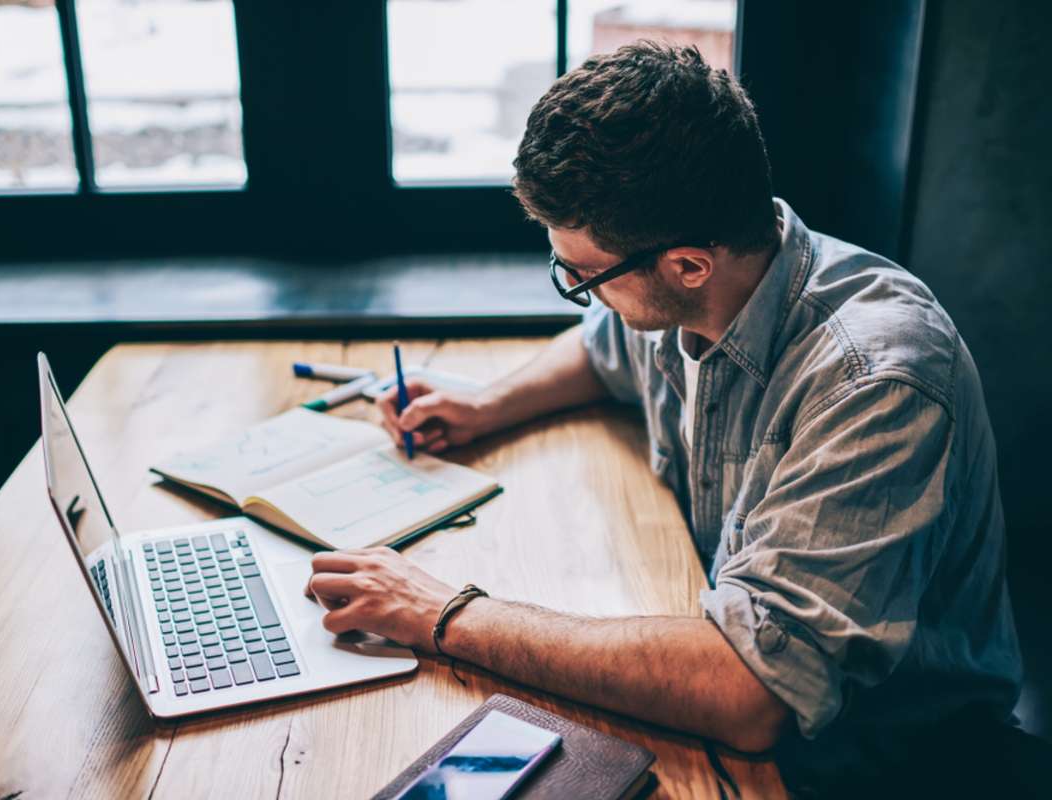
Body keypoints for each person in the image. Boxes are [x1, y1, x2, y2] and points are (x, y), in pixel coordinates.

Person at [305, 41, 1023, 794]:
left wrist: (442, 613)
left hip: (879, 760)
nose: (581, 293)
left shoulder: (875, 381)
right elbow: (604, 348)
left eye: (583, 276)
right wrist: (489, 402)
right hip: (732, 668)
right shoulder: (705, 284)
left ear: (687, 265)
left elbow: (752, 693)